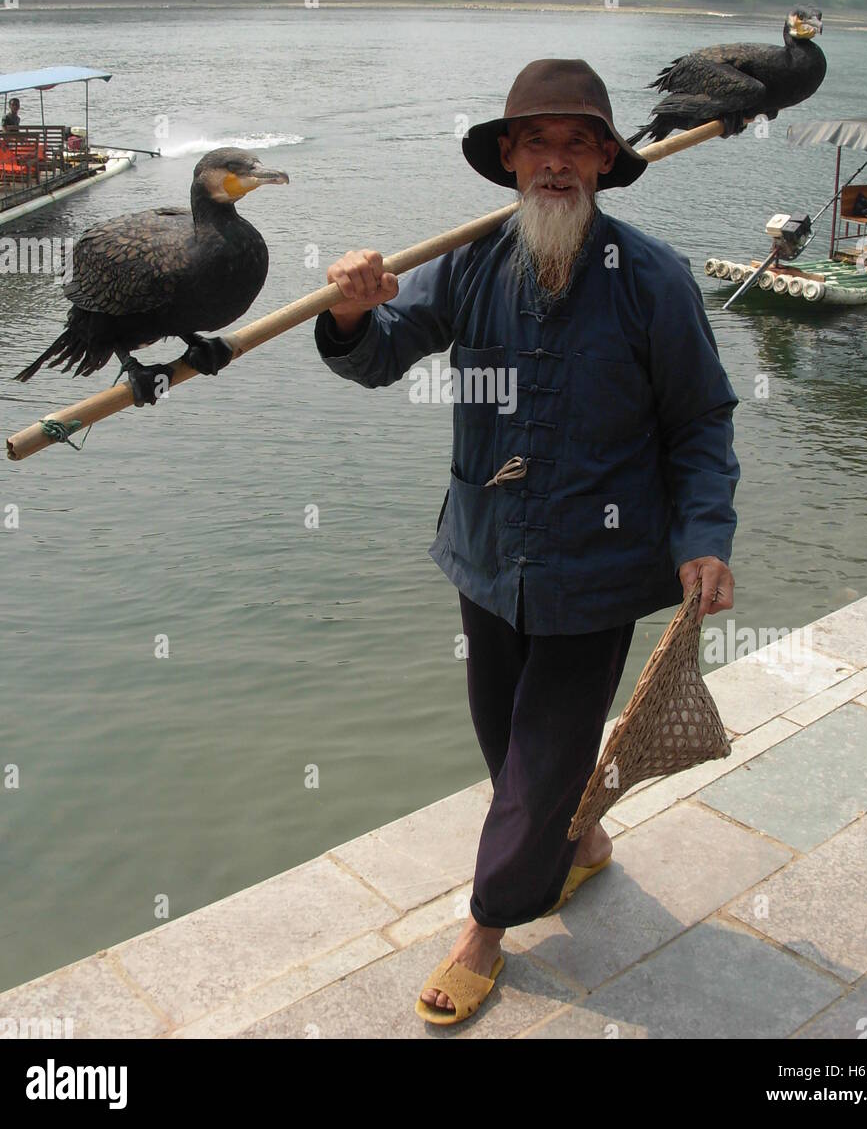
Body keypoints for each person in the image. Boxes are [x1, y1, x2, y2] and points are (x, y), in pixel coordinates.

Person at [314, 58, 739, 1024]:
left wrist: (703, 535)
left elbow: (701, 422)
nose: (556, 163)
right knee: (504, 739)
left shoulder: (652, 278)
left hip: (599, 561)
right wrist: (349, 308)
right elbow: (381, 356)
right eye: (537, 144)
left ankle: (488, 923)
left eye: (576, 144)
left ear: (604, 160)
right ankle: (581, 847)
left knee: (546, 752)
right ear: (508, 159)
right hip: (484, 547)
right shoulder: (466, 262)